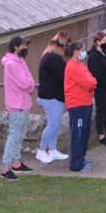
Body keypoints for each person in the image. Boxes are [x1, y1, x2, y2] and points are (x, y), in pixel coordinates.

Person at [0, 35, 36, 181]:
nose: (26, 48)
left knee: (19, 137)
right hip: (17, 106)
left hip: (23, 105)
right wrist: (30, 83)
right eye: (23, 45)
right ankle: (5, 168)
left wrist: (30, 83)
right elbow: (26, 84)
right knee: (14, 137)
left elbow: (30, 81)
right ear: (15, 47)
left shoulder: (20, 61)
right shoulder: (12, 64)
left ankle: (16, 163)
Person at [36, 32, 70, 164]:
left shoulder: (52, 57)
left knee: (54, 126)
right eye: (64, 47)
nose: (65, 50)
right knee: (53, 126)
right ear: (58, 46)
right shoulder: (51, 58)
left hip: (53, 97)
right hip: (51, 98)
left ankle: (53, 150)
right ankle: (41, 151)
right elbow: (64, 75)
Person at [64, 41, 97, 172]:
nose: (83, 52)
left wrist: (92, 82)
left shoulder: (80, 65)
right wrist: (92, 82)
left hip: (85, 103)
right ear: (76, 51)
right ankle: (76, 164)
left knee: (84, 133)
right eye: (81, 49)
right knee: (78, 134)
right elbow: (89, 83)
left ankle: (81, 159)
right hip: (78, 105)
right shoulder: (72, 66)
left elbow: (91, 79)